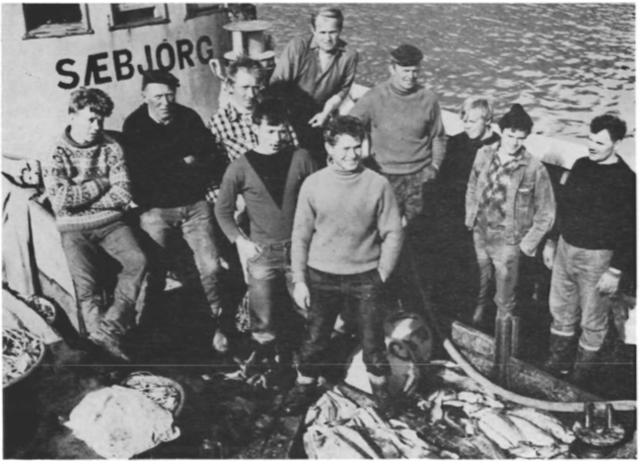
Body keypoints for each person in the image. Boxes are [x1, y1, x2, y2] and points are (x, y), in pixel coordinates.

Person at [286, 116, 404, 415]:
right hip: (321, 276)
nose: (352, 155)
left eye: (357, 147)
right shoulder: (313, 184)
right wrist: (299, 280)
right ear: (329, 147)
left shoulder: (378, 184)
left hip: (365, 277)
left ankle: (382, 393)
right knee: (315, 339)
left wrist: (383, 272)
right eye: (345, 148)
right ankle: (303, 387)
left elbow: (393, 232)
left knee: (373, 342)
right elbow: (300, 234)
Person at [215, 99, 317, 383]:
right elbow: (222, 210)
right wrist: (240, 241)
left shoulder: (302, 158)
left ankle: (306, 368)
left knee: (307, 311)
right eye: (270, 131)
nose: (276, 138)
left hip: (299, 251)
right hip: (262, 255)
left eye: (282, 131)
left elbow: (321, 197)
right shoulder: (239, 167)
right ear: (255, 127)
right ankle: (267, 371)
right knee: (263, 321)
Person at [42, 87, 148, 362]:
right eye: (90, 119)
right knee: (87, 290)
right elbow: (61, 200)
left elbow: (122, 195)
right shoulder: (56, 150)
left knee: (137, 261)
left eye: (100, 120)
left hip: (112, 224)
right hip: (74, 230)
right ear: (73, 115)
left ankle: (107, 333)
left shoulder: (111, 146)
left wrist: (82, 200)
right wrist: (101, 184)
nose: (96, 126)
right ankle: (103, 352)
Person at [122, 70, 227, 344]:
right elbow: (142, 177)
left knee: (211, 267)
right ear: (144, 96)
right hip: (156, 210)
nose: (165, 102)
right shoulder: (134, 126)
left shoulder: (188, 118)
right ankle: (142, 327)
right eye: (157, 96)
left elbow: (210, 159)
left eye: (169, 95)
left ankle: (216, 324)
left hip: (194, 205)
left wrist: (170, 166)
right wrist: (184, 162)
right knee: (151, 268)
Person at [350, 43, 446, 310]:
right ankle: (381, 299)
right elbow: (349, 127)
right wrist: (361, 162)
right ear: (392, 68)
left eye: (415, 71)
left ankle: (413, 304)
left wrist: (434, 167)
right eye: (405, 70)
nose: (410, 76)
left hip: (419, 179)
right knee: (382, 239)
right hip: (384, 179)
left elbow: (438, 137)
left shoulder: (428, 99)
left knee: (415, 242)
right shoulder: (373, 97)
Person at [541, 114, 635, 385]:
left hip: (598, 261)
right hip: (565, 250)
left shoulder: (627, 180)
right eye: (590, 140)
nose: (592, 147)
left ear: (617, 143)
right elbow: (564, 207)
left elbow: (631, 230)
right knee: (560, 311)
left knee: (592, 322)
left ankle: (581, 378)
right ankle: (557, 366)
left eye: (600, 143)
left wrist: (615, 271)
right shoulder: (581, 165)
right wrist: (552, 241)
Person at [465, 104, 555, 381]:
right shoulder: (483, 154)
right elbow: (472, 186)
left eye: (520, 137)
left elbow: (547, 213)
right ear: (500, 132)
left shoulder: (534, 168)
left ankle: (502, 362)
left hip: (508, 241)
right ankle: (473, 335)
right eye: (510, 135)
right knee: (480, 284)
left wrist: (526, 244)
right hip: (481, 232)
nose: (514, 142)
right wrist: (470, 218)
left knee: (506, 301)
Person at [435, 97, 501, 317]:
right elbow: (443, 182)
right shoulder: (457, 143)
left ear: (487, 120)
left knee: (480, 271)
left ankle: (477, 312)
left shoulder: (500, 147)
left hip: (482, 221)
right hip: (455, 216)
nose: (466, 126)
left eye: (472, 122)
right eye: (464, 121)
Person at [270, 7, 358, 159]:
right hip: (290, 110)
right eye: (322, 32)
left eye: (332, 32)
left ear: (340, 30)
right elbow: (278, 84)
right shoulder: (298, 46)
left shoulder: (349, 55)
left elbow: (343, 89)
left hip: (321, 113)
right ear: (313, 30)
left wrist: (325, 113)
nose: (327, 38)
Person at [210, 56, 298, 164]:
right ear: (230, 86)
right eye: (244, 87)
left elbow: (296, 151)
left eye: (255, 88)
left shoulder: (276, 111)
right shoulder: (219, 123)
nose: (251, 94)